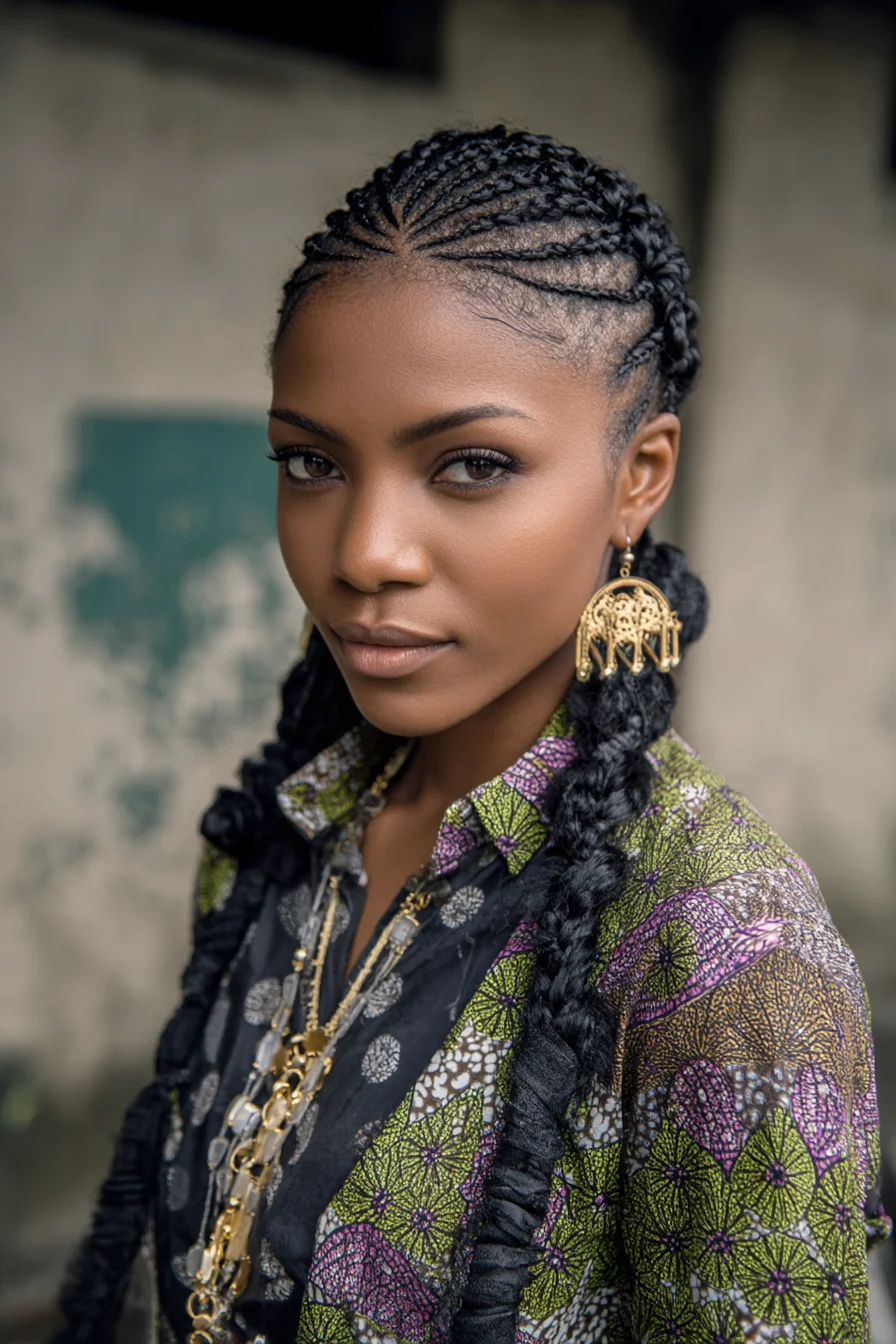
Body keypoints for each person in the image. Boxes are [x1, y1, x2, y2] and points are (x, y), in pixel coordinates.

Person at [55, 126, 889, 1344]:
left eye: (471, 464)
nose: (362, 554)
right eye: (311, 462)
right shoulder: (277, 839)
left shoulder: (724, 960)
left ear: (637, 476)